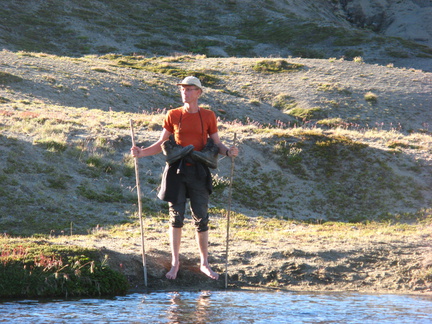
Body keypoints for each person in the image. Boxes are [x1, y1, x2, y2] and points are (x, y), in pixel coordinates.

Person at [131, 76, 239, 280]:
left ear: (199, 93)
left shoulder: (208, 115)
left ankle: (205, 264)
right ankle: (174, 264)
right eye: (183, 89)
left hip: (199, 171)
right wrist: (141, 152)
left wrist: (228, 152)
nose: (185, 93)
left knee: (201, 217)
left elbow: (217, 143)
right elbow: (161, 143)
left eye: (190, 89)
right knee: (176, 217)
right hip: (176, 171)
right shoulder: (173, 114)